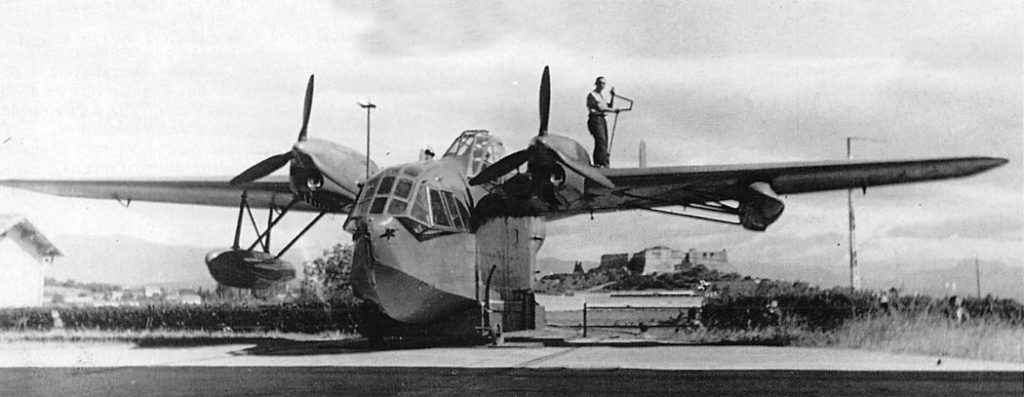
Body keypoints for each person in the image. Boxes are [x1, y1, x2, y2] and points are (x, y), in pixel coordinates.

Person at [587, 76, 618, 168]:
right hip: (595, 119)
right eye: (600, 83)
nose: (602, 85)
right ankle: (599, 162)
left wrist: (612, 96)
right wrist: (613, 111)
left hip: (602, 119)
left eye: (603, 84)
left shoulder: (601, 96)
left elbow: (609, 106)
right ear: (596, 84)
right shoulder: (592, 95)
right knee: (600, 140)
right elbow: (600, 108)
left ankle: (603, 160)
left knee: (604, 141)